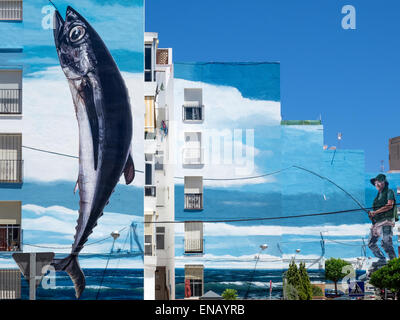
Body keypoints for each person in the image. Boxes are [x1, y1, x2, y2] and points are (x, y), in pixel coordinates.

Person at [367, 174, 397, 270]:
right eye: (376, 182)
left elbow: (389, 206)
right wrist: (372, 216)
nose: (377, 184)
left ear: (384, 182)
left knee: (386, 242)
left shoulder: (389, 192)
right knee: (371, 243)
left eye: (379, 182)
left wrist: (375, 212)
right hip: (378, 223)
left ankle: (394, 262)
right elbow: (376, 213)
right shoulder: (377, 197)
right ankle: (382, 259)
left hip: (387, 221)